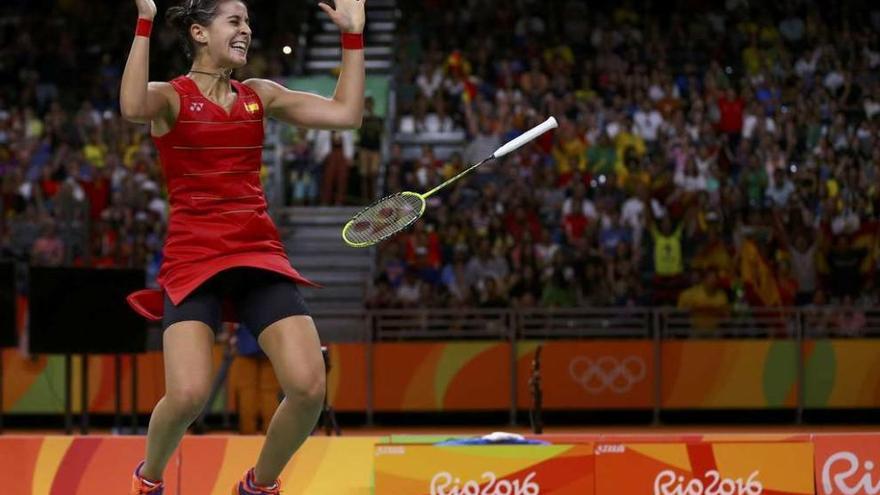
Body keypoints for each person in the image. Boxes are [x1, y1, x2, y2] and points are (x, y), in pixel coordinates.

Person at [120, 1, 365, 494]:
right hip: (195, 257)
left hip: (257, 251)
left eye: (248, 22)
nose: (246, 31)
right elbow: (131, 107)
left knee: (309, 387)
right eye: (234, 21)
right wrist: (144, 20)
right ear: (199, 32)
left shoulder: (259, 95)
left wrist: (353, 37)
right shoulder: (171, 98)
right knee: (188, 395)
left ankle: (259, 485)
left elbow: (346, 115)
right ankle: (148, 478)